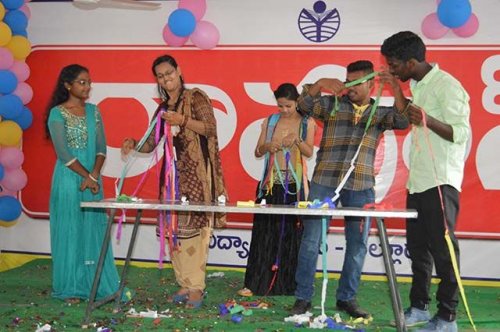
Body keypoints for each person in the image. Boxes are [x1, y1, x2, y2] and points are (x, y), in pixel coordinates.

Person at [291, 60, 409, 318]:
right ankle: (303, 298)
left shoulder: (379, 112)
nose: (350, 87)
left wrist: (396, 87)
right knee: (311, 241)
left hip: (361, 186)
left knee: (357, 244)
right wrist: (320, 84)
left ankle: (347, 298)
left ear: (370, 84)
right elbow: (303, 107)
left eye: (356, 83)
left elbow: (402, 120)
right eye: (348, 81)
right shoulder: (331, 104)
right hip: (324, 181)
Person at [380, 31, 470, 332]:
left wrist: (428, 120)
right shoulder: (418, 86)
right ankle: (419, 307)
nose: (391, 69)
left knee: (444, 252)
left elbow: (461, 133)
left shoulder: (448, 86)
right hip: (418, 182)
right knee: (418, 249)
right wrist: (396, 90)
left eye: (394, 66)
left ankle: (447, 318)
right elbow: (409, 116)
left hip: (440, 181)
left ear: (412, 61)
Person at [121, 54, 227, 309]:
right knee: (173, 233)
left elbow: (210, 128)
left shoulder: (196, 97)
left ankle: (196, 288)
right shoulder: (162, 109)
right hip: (171, 179)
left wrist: (183, 121)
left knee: (193, 233)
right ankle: (183, 282)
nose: (166, 78)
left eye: (169, 73)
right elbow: (152, 142)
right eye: (160, 76)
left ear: (178, 71)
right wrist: (133, 144)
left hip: (196, 177)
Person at [45, 64, 128, 303]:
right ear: (67, 85)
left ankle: (96, 283)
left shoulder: (94, 111)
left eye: (89, 82)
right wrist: (87, 177)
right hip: (69, 180)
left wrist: (93, 175)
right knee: (70, 231)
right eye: (82, 82)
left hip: (91, 180)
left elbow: (101, 148)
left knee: (93, 230)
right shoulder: (57, 113)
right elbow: (63, 152)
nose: (87, 86)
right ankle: (70, 288)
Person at [239, 83, 316, 297]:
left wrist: (297, 141)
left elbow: (308, 152)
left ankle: (288, 285)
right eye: (280, 106)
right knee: (265, 233)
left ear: (297, 102)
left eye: (288, 106)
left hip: (294, 186)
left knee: (291, 235)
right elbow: (257, 151)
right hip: (270, 184)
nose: (284, 110)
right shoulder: (270, 121)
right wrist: (268, 146)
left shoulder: (307, 123)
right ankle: (256, 284)